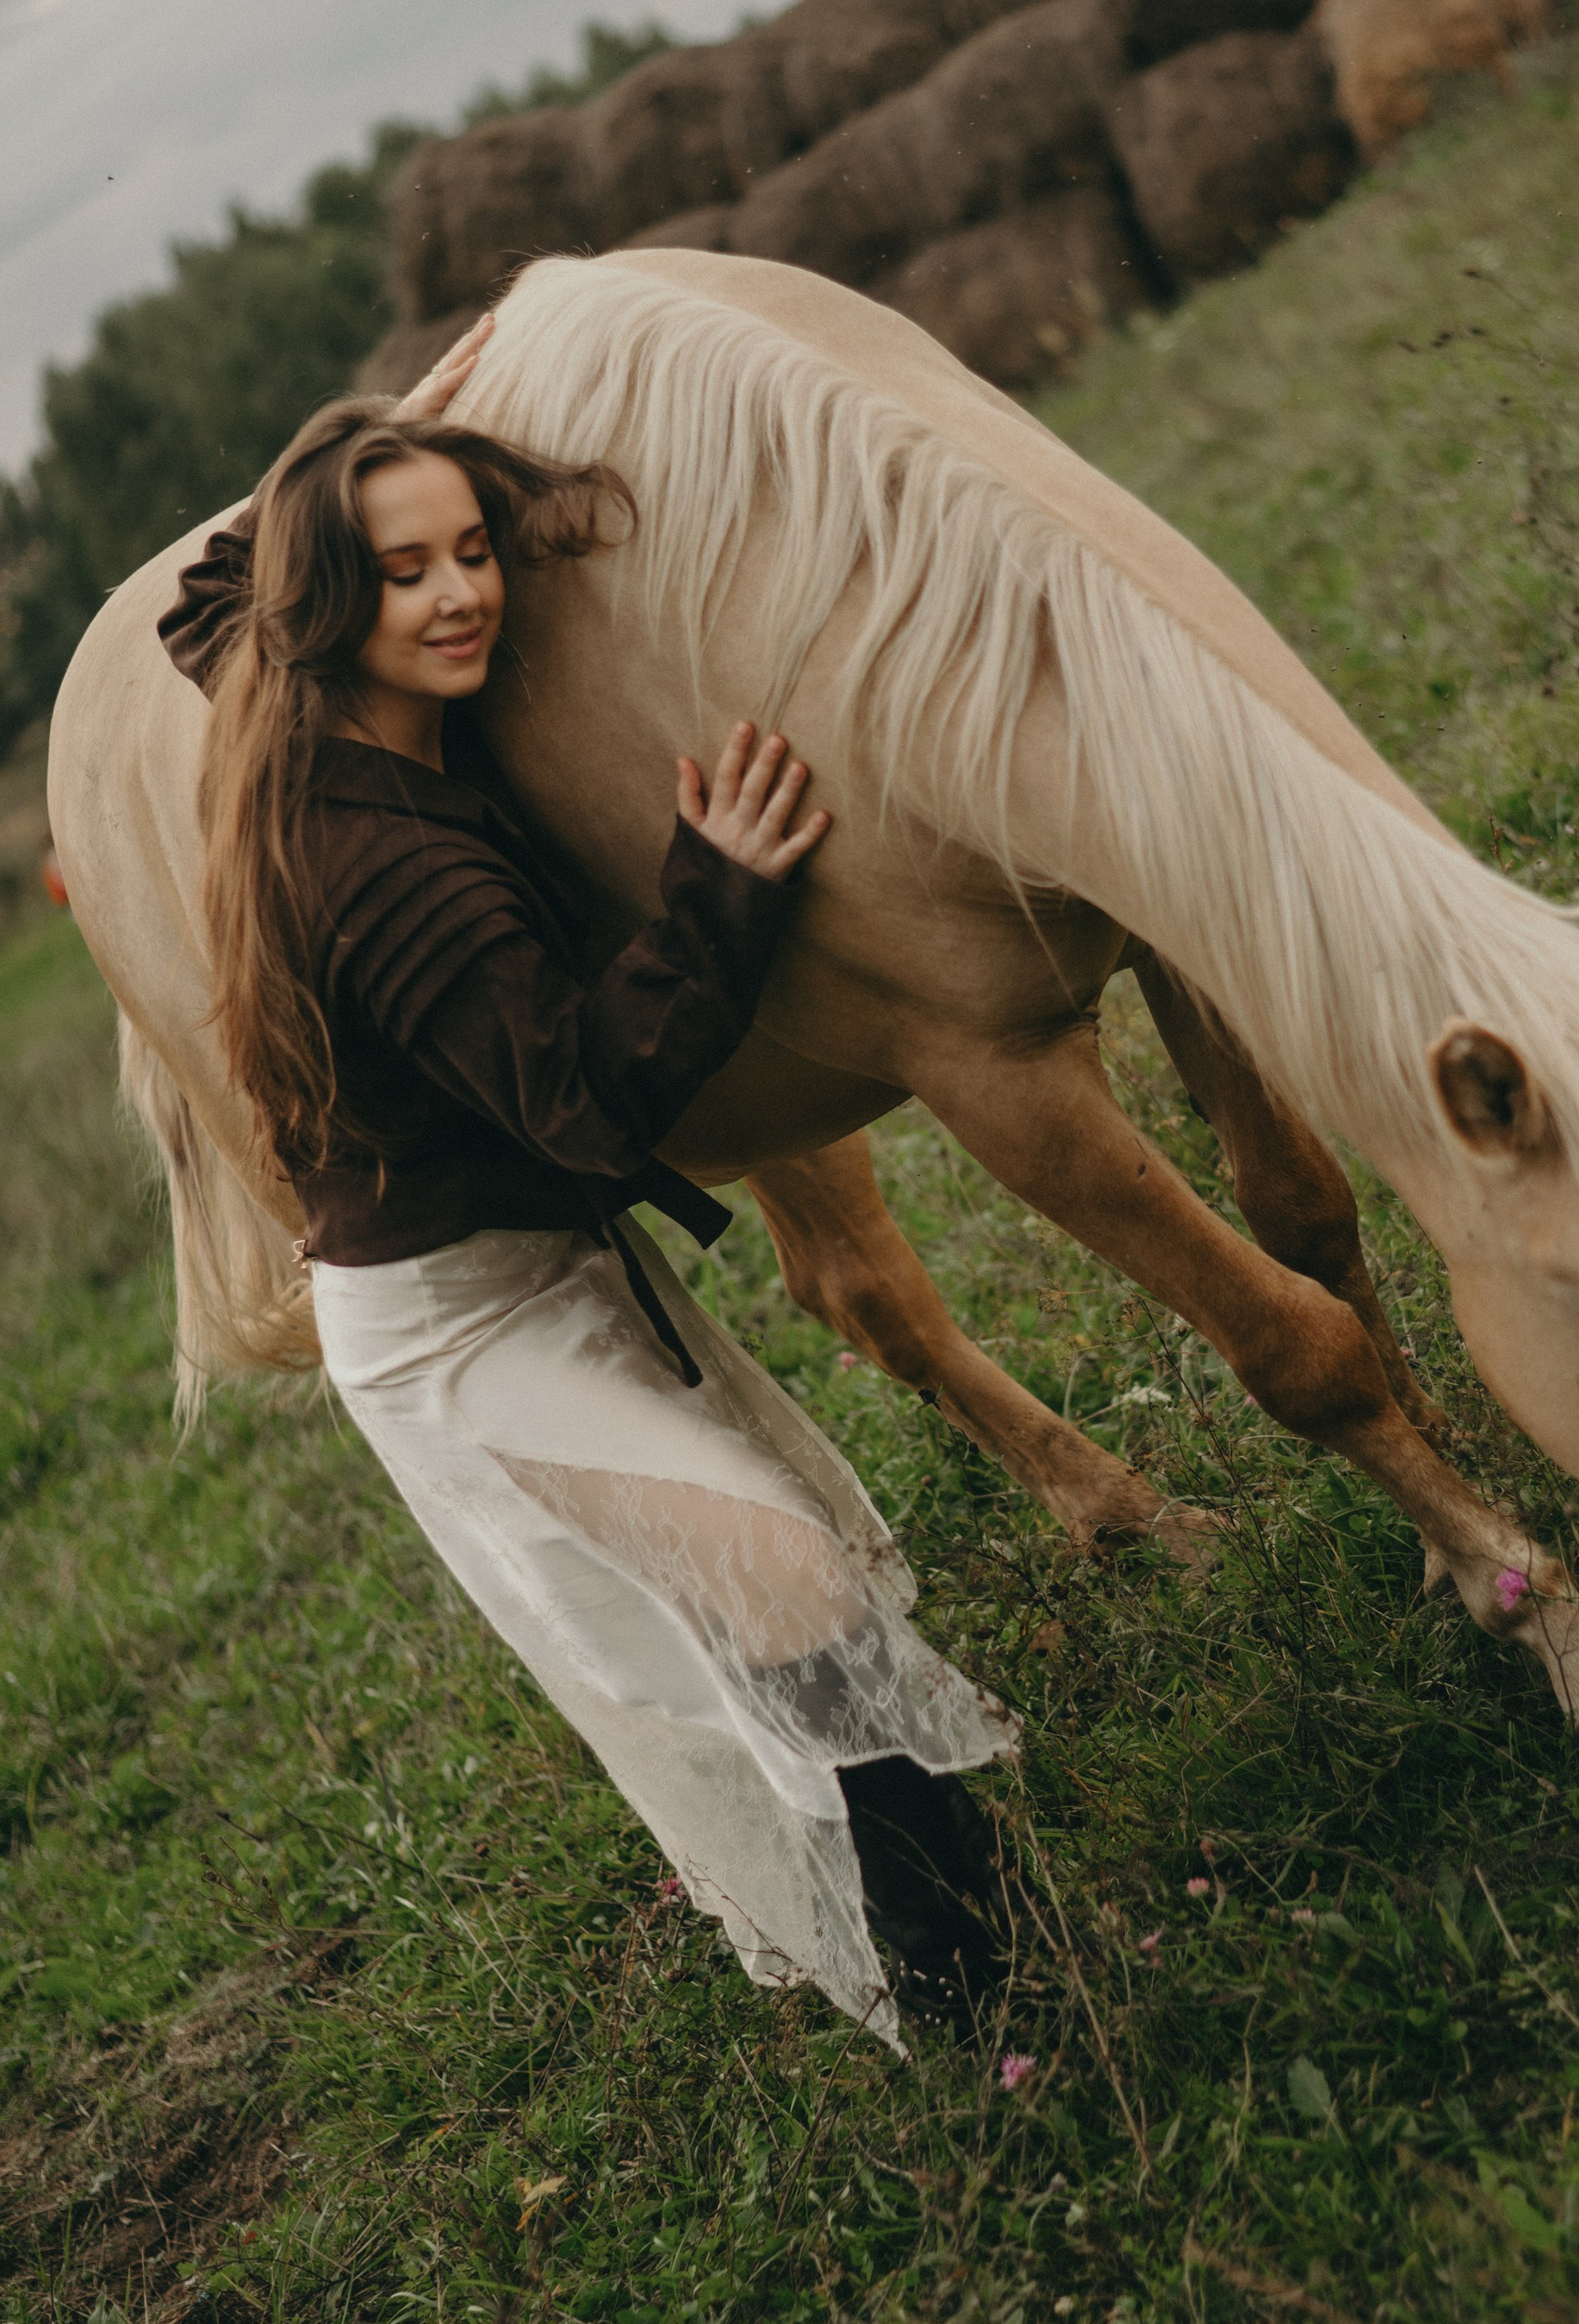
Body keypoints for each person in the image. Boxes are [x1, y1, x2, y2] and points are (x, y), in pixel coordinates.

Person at [158, 316, 1011, 2044]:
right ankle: (964, 1990)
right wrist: (717, 889)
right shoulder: (376, 859)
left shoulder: (304, 702)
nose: (461, 594)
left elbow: (199, 592)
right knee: (780, 1587)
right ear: (333, 598)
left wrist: (416, 414)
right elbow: (579, 1103)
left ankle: (974, 1941)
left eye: (471, 551)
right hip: (458, 1332)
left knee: (762, 1591)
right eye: (406, 571)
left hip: (519, 1273)